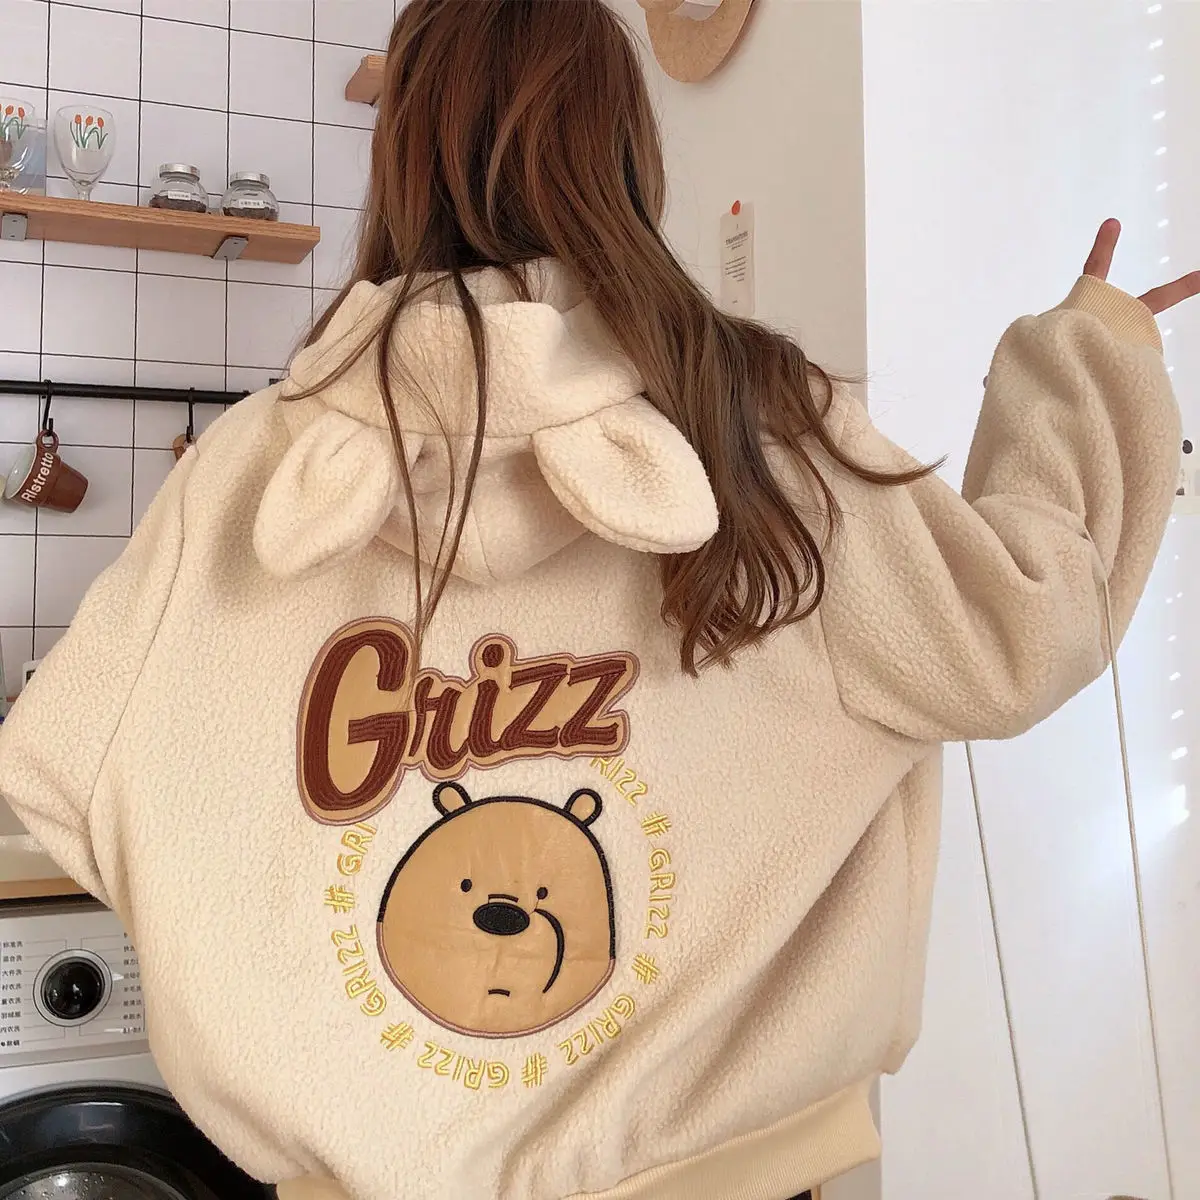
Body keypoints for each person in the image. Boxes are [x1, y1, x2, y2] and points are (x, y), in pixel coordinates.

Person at [1, 1, 1195, 1197]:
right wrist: (1085, 362)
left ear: (402, 155)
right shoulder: (754, 429)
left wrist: (274, 921)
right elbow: (1020, 628)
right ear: (626, 151)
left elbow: (59, 768)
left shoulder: (254, 474)